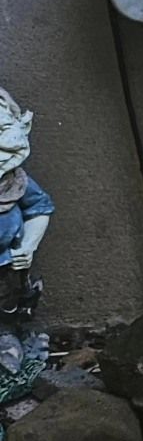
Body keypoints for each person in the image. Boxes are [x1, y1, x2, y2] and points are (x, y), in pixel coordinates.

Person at [0, 87, 53, 324]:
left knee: (9, 309)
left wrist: (27, 248)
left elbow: (40, 209)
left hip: (7, 267)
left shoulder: (14, 181)